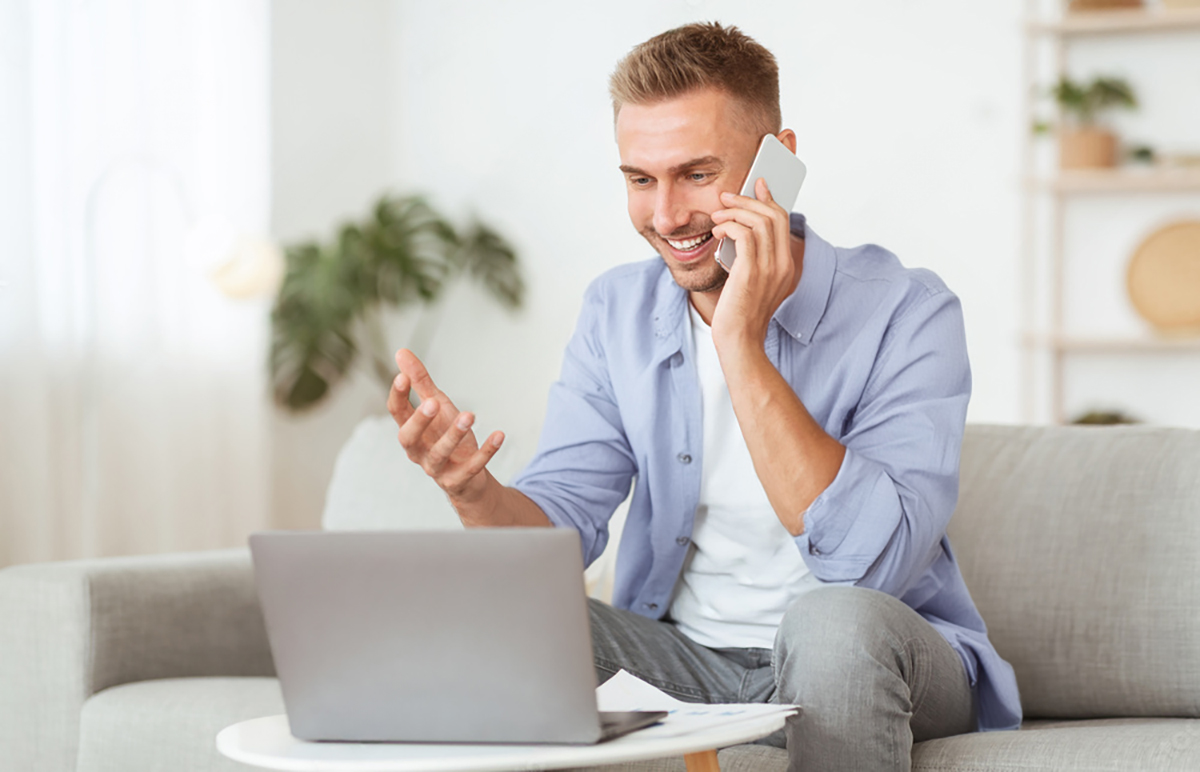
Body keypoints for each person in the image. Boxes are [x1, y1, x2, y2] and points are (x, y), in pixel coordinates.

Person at [386, 21, 1020, 772]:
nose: (665, 217)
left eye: (695, 173)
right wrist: (474, 493)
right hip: (686, 659)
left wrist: (741, 343)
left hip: (878, 654)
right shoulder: (616, 312)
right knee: (497, 616)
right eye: (640, 179)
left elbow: (866, 567)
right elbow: (555, 533)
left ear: (778, 161)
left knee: (831, 626)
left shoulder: (906, 313)